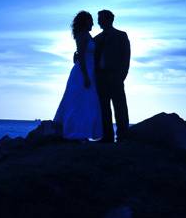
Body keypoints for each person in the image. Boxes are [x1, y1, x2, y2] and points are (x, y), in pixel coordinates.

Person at [53, 11, 103, 140]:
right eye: (90, 20)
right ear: (85, 21)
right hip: (83, 72)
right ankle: (77, 132)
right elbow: (81, 55)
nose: (93, 23)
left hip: (90, 71)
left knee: (88, 102)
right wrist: (86, 76)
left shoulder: (88, 35)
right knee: (79, 102)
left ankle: (85, 132)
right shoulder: (82, 35)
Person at [93, 9, 130, 142]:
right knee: (104, 107)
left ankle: (123, 135)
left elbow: (126, 57)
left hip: (115, 76)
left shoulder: (121, 36)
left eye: (101, 18)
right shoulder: (96, 39)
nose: (99, 21)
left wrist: (121, 75)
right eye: (99, 19)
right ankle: (107, 136)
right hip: (100, 77)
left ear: (109, 19)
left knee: (120, 106)